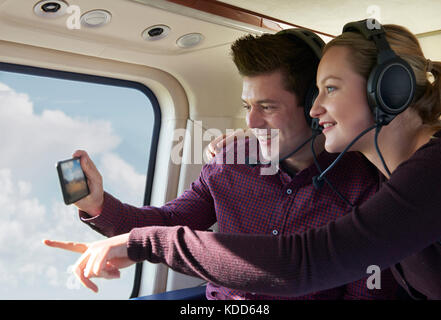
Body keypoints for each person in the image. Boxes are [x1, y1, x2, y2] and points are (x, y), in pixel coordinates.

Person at [44, 28, 402, 299]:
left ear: (314, 107)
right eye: (249, 107)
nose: (252, 123)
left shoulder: (367, 185)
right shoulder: (231, 161)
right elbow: (169, 221)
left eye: (269, 107)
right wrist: (98, 206)